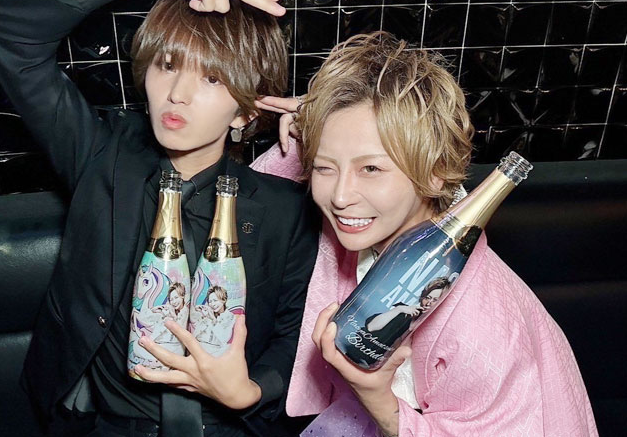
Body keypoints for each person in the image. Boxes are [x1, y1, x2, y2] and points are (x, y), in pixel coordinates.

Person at [0, 0, 318, 437]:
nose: (178, 93)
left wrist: (251, 391)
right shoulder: (102, 157)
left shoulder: (287, 209)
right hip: (102, 423)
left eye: (212, 78)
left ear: (246, 111)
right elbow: (8, 32)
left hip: (229, 425)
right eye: (167, 64)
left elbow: (297, 338)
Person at [253, 32, 598, 436]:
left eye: (371, 169)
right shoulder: (379, 224)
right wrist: (316, 130)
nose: (341, 197)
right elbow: (259, 197)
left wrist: (380, 402)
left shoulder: (481, 324)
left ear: (434, 174)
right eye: (325, 168)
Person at [193, 285, 236, 356]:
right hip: (200, 348)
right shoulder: (209, 313)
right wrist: (203, 316)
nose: (212, 304)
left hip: (216, 352)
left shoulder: (229, 316)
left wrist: (213, 319)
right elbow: (195, 335)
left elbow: (224, 338)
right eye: (210, 301)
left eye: (215, 301)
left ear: (223, 300)